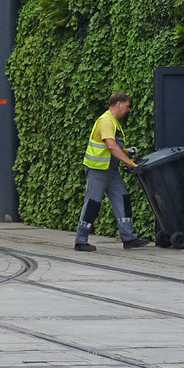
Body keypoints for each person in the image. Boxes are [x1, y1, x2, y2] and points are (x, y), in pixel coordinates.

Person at [75, 92, 149, 252]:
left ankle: (128, 239)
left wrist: (127, 151)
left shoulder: (114, 122)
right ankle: (80, 241)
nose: (128, 110)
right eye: (127, 106)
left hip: (111, 171)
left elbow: (115, 147)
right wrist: (130, 163)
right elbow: (111, 146)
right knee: (92, 204)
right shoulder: (106, 121)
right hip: (98, 170)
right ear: (119, 104)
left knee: (123, 199)